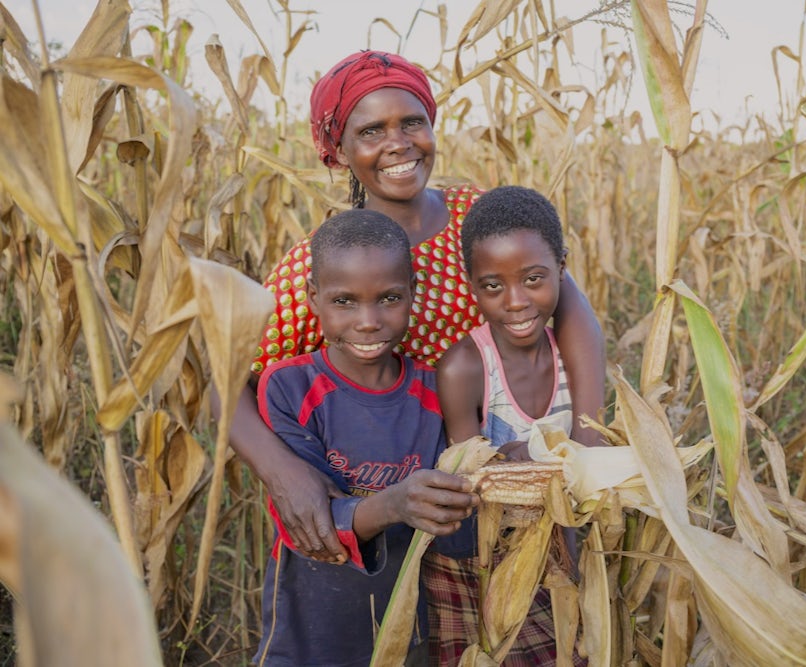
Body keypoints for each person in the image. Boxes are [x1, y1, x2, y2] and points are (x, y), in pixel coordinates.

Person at [228, 49, 605, 662]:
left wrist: (587, 439)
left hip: (508, 493)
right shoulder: (318, 264)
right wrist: (283, 471)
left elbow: (570, 308)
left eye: (412, 122)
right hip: (391, 507)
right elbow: (224, 379)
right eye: (370, 130)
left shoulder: (474, 217)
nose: (397, 143)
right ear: (338, 150)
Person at [253, 209, 478, 666]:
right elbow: (311, 525)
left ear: (413, 295)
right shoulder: (288, 388)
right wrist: (397, 504)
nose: (369, 321)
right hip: (308, 630)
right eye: (345, 302)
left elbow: (458, 525)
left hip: (408, 627)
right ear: (314, 297)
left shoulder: (437, 392)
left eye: (389, 298)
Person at [433, 185, 586, 665]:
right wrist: (508, 462)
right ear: (472, 284)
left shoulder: (573, 354)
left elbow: (590, 447)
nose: (515, 302)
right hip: (483, 564)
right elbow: (468, 469)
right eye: (492, 286)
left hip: (565, 550)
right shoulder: (465, 367)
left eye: (533, 279)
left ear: (562, 267)